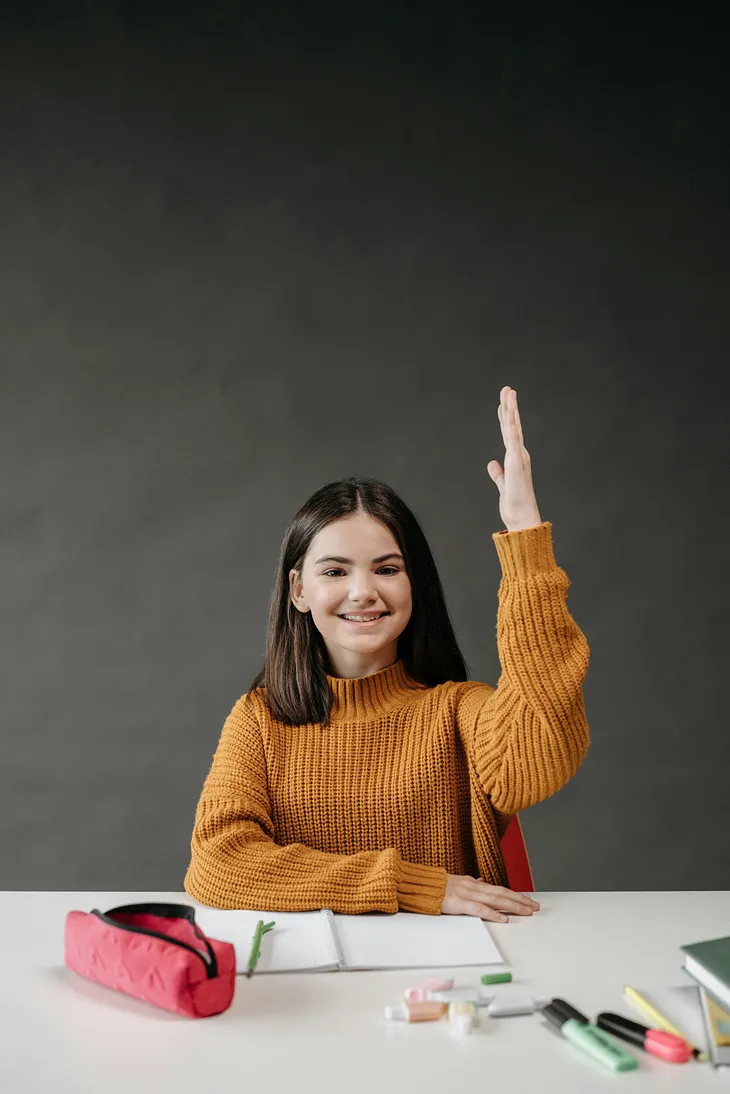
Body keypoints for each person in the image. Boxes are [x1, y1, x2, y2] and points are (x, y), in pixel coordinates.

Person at [184, 386, 590, 920]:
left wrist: (524, 538)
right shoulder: (259, 720)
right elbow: (218, 865)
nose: (362, 591)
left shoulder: (460, 712)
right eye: (334, 571)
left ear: (413, 585)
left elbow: (543, 748)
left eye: (387, 568)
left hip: (453, 982)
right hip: (314, 990)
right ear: (299, 591)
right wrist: (411, 886)